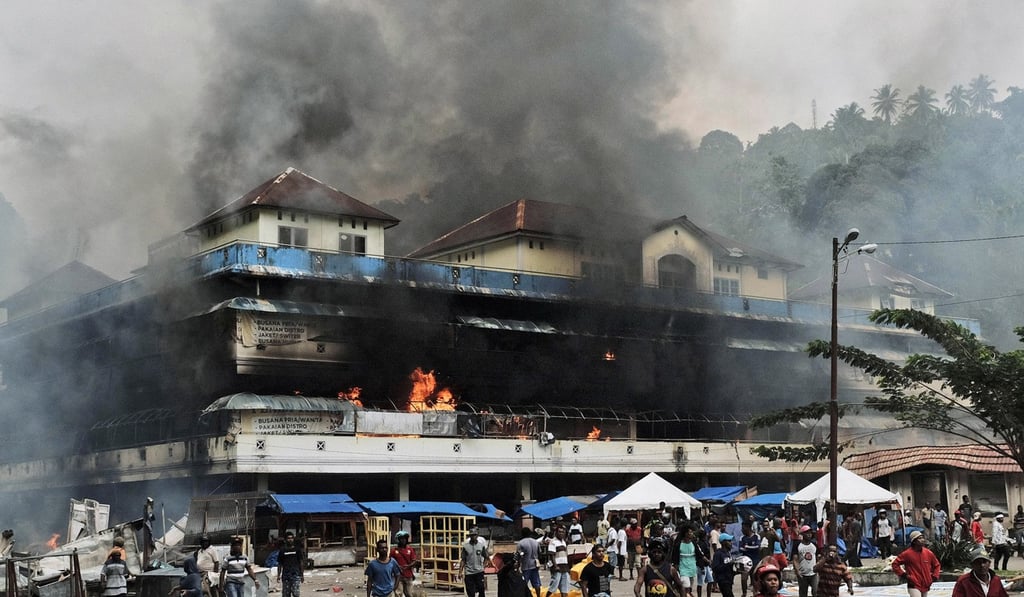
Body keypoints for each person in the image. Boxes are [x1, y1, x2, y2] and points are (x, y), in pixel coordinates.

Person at [892, 531, 941, 597]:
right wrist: (903, 575)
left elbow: (937, 565)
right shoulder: (907, 554)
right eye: (920, 538)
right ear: (914, 541)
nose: (923, 540)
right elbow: (895, 564)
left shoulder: (928, 553)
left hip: (926, 584)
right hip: (913, 584)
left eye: (923, 538)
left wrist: (935, 576)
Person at [460, 526, 493, 597]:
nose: (473, 537)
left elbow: (486, 557)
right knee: (470, 592)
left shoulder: (481, 545)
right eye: (471, 535)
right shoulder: (465, 546)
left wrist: (483, 566)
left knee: (481, 590)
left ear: (477, 535)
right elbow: (463, 559)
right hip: (469, 572)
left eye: (475, 535)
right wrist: (460, 571)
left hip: (479, 572)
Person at [390, 531, 419, 597]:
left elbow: (414, 561)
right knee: (398, 593)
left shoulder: (410, 549)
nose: (403, 540)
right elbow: (390, 562)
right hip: (398, 576)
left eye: (405, 538)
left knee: (409, 593)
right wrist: (397, 567)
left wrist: (408, 566)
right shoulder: (394, 551)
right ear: (398, 540)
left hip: (408, 575)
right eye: (401, 539)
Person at [278, 532, 305, 597]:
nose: (290, 540)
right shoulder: (282, 550)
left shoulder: (297, 549)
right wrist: (278, 575)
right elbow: (279, 564)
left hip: (295, 575)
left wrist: (302, 574)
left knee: (296, 593)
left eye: (292, 538)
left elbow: (301, 562)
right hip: (286, 575)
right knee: (286, 594)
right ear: (285, 540)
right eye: (288, 538)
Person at [546, 525, 571, 597]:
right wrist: (555, 566)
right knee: (554, 585)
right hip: (558, 566)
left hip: (565, 567)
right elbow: (552, 555)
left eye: (563, 532)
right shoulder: (553, 542)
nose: (561, 533)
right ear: (556, 532)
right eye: (559, 532)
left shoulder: (563, 542)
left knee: (565, 587)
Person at [518, 527, 542, 597]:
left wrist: (518, 565)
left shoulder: (521, 543)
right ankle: (538, 596)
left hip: (526, 566)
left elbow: (519, 555)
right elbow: (539, 553)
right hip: (535, 564)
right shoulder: (535, 542)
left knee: (524, 583)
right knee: (537, 583)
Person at [738, 523, 760, 597]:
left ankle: (755, 593)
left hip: (755, 560)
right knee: (744, 578)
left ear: (748, 528)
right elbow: (740, 549)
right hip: (745, 561)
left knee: (754, 578)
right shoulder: (742, 537)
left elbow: (757, 547)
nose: (742, 530)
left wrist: (747, 547)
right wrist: (750, 548)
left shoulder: (756, 536)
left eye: (743, 528)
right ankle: (744, 593)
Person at [676, 526, 699, 596]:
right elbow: (675, 557)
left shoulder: (694, 544)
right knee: (686, 585)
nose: (692, 534)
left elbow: (699, 554)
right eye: (690, 532)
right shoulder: (678, 544)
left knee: (689, 587)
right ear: (685, 534)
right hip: (682, 568)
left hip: (692, 568)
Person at [796, 526, 818, 597]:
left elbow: (818, 557)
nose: (809, 534)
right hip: (803, 574)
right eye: (807, 533)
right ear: (802, 534)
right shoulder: (798, 545)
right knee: (803, 593)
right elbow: (795, 559)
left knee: (816, 591)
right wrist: (797, 571)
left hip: (813, 573)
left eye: (810, 533)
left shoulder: (814, 545)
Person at [694, 529, 713, 597]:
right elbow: (701, 556)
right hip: (701, 565)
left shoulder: (705, 542)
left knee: (710, 581)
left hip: (707, 565)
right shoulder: (700, 544)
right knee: (700, 583)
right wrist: (704, 564)